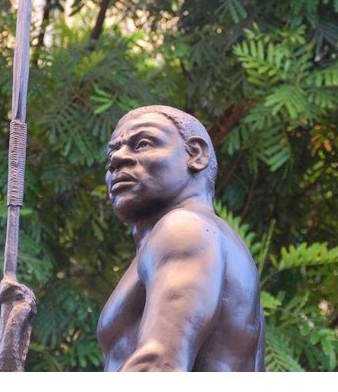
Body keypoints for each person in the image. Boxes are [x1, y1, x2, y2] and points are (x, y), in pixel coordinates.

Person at [97, 105, 265, 372]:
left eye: (141, 144)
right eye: (112, 154)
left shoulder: (184, 228)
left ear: (195, 154)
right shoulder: (196, 233)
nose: (117, 159)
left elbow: (159, 365)